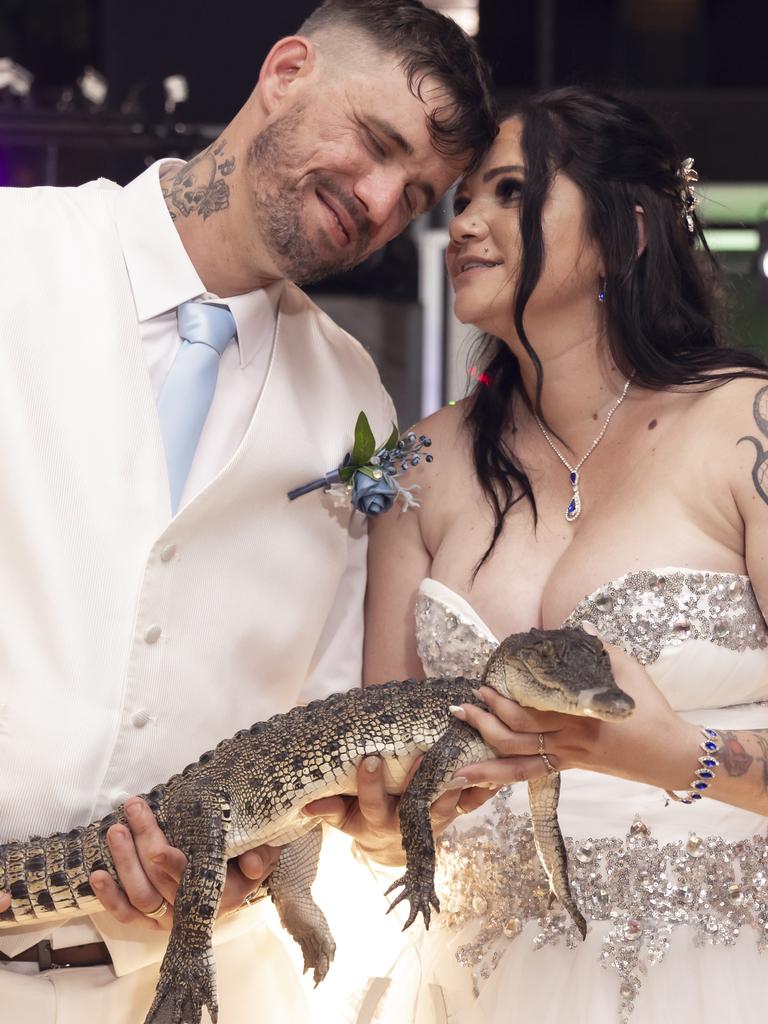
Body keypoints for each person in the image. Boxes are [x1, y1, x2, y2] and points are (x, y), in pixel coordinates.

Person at [0, 1, 495, 1021]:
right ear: (286, 70)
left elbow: (318, 704)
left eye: (416, 195)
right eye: (375, 145)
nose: (378, 202)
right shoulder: (17, 257)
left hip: (203, 986)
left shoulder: (359, 400)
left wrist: (264, 863)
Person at [362, 87, 768, 1023]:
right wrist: (391, 822)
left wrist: (682, 757)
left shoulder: (742, 426)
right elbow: (383, 801)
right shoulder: (415, 466)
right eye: (461, 199)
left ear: (627, 233)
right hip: (478, 982)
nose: (465, 222)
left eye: (509, 192)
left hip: (719, 977)